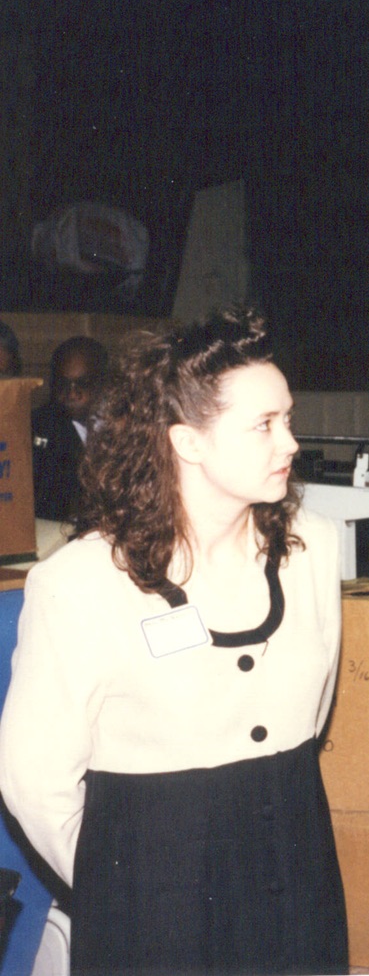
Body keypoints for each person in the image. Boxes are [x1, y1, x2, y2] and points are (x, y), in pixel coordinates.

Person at [0, 307, 348, 975]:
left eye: (289, 418)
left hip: (298, 879)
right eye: (264, 425)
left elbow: (314, 707)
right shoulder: (79, 583)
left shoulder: (313, 550)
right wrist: (118, 883)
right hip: (152, 907)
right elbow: (33, 779)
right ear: (187, 442)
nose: (290, 444)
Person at [31, 336, 107, 521]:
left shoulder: (126, 422)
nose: (72, 393)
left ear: (103, 382)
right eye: (63, 384)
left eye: (83, 383)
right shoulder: (39, 427)